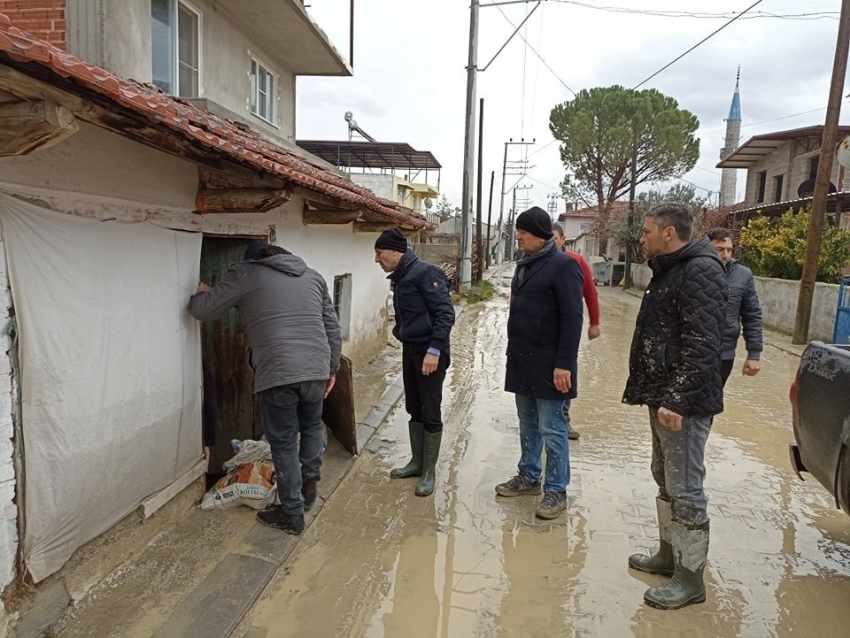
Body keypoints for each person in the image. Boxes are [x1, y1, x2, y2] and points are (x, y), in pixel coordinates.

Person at [188, 241, 341, 535]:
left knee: (282, 442)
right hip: (316, 367)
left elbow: (202, 311)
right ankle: (308, 487)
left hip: (279, 370)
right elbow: (331, 327)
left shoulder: (246, 273)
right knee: (309, 428)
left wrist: (201, 291)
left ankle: (292, 513)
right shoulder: (313, 276)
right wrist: (331, 369)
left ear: (256, 261)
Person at [623, 203, 727, 610]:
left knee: (685, 487)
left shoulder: (700, 270)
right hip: (665, 395)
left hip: (683, 402)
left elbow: (704, 345)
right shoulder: (670, 267)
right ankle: (669, 555)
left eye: (647, 232)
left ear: (669, 233)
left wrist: (678, 399)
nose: (642, 238)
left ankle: (689, 578)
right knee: (664, 475)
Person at [496, 207, 584, 520]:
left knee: (552, 427)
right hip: (523, 360)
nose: (518, 236)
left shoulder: (563, 266)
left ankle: (556, 490)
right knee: (528, 423)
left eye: (524, 232)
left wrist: (564, 365)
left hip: (550, 364)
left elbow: (573, 319)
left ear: (542, 235)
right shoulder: (524, 265)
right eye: (518, 231)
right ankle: (529, 476)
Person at [374, 227, 455, 497]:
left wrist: (434, 350)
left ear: (396, 251)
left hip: (430, 352)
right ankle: (417, 462)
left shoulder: (426, 273)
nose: (377, 258)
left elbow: (445, 314)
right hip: (411, 349)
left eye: (379, 252)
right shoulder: (402, 276)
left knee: (431, 409)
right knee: (414, 407)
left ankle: (429, 472)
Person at [553, 223, 602, 440]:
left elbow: (590, 293)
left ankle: (563, 418)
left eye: (554, 238)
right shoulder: (534, 261)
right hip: (540, 330)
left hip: (566, 329)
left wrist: (594, 322)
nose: (551, 243)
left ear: (563, 240)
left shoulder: (575, 262)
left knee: (565, 372)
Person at [705, 228, 763, 386]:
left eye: (729, 250)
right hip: (692, 352)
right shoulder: (693, 270)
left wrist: (754, 354)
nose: (725, 255)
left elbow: (752, 315)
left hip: (725, 354)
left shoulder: (743, 275)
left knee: (711, 403)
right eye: (719, 250)